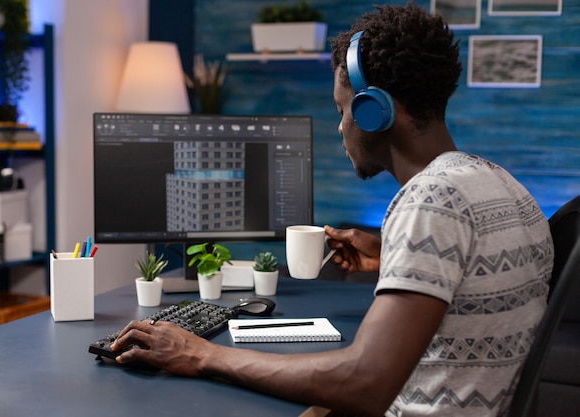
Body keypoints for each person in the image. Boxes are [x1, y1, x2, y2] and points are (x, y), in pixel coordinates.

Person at [111, 3, 553, 416]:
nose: (341, 126)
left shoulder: (431, 199)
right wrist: (396, 258)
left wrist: (202, 354)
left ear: (373, 111)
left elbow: (366, 381)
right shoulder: (500, 183)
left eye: (342, 110)